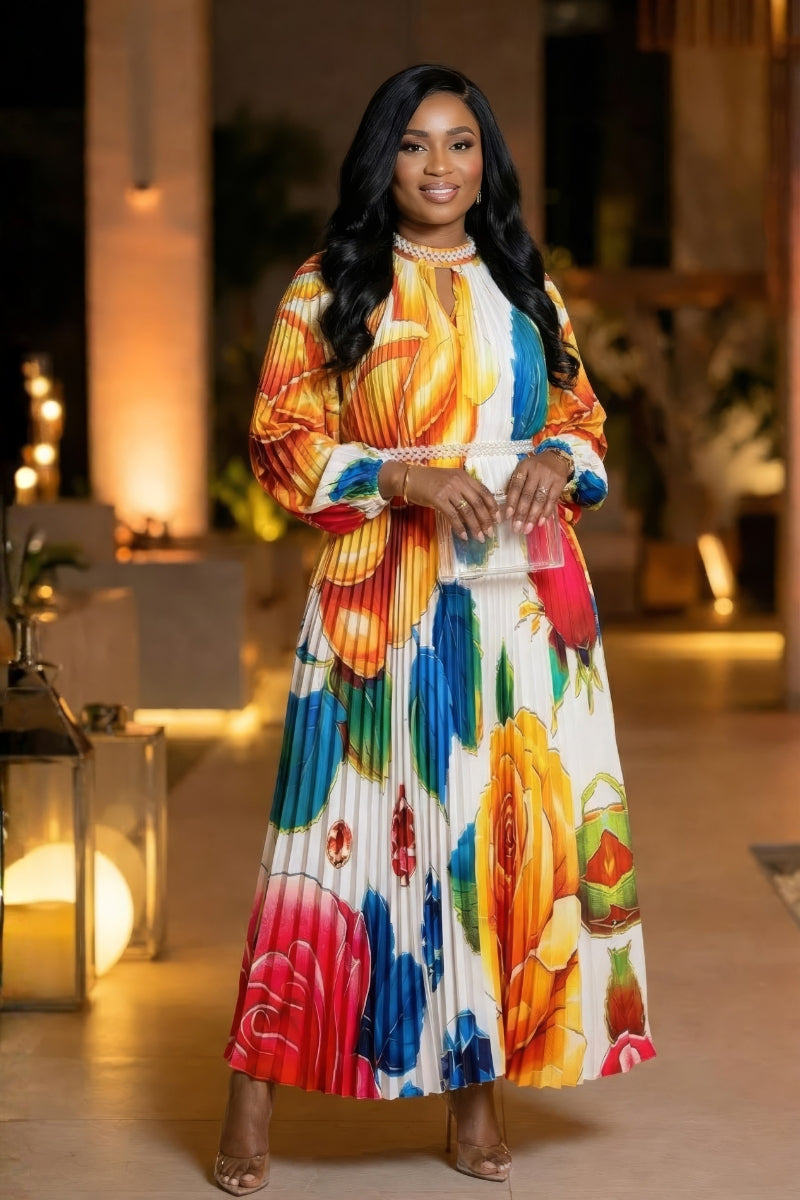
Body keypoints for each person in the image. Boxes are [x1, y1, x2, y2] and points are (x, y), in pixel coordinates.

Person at [214, 63, 655, 1196]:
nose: (440, 166)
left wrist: (558, 459)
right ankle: (252, 1089)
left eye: (461, 144)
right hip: (384, 596)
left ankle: (476, 1098)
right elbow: (279, 440)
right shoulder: (330, 283)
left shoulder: (524, 279)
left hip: (521, 601)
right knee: (331, 838)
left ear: (485, 161)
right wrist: (400, 477)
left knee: (493, 842)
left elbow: (584, 419)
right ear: (384, 159)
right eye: (415, 144)